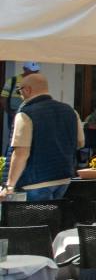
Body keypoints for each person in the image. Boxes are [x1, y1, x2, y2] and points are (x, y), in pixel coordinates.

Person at [0, 70, 82, 201]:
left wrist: (9, 186)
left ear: (27, 90)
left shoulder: (25, 114)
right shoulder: (70, 111)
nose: (20, 95)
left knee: (32, 221)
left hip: (34, 182)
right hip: (63, 178)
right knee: (51, 219)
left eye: (19, 91)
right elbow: (80, 142)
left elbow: (21, 153)